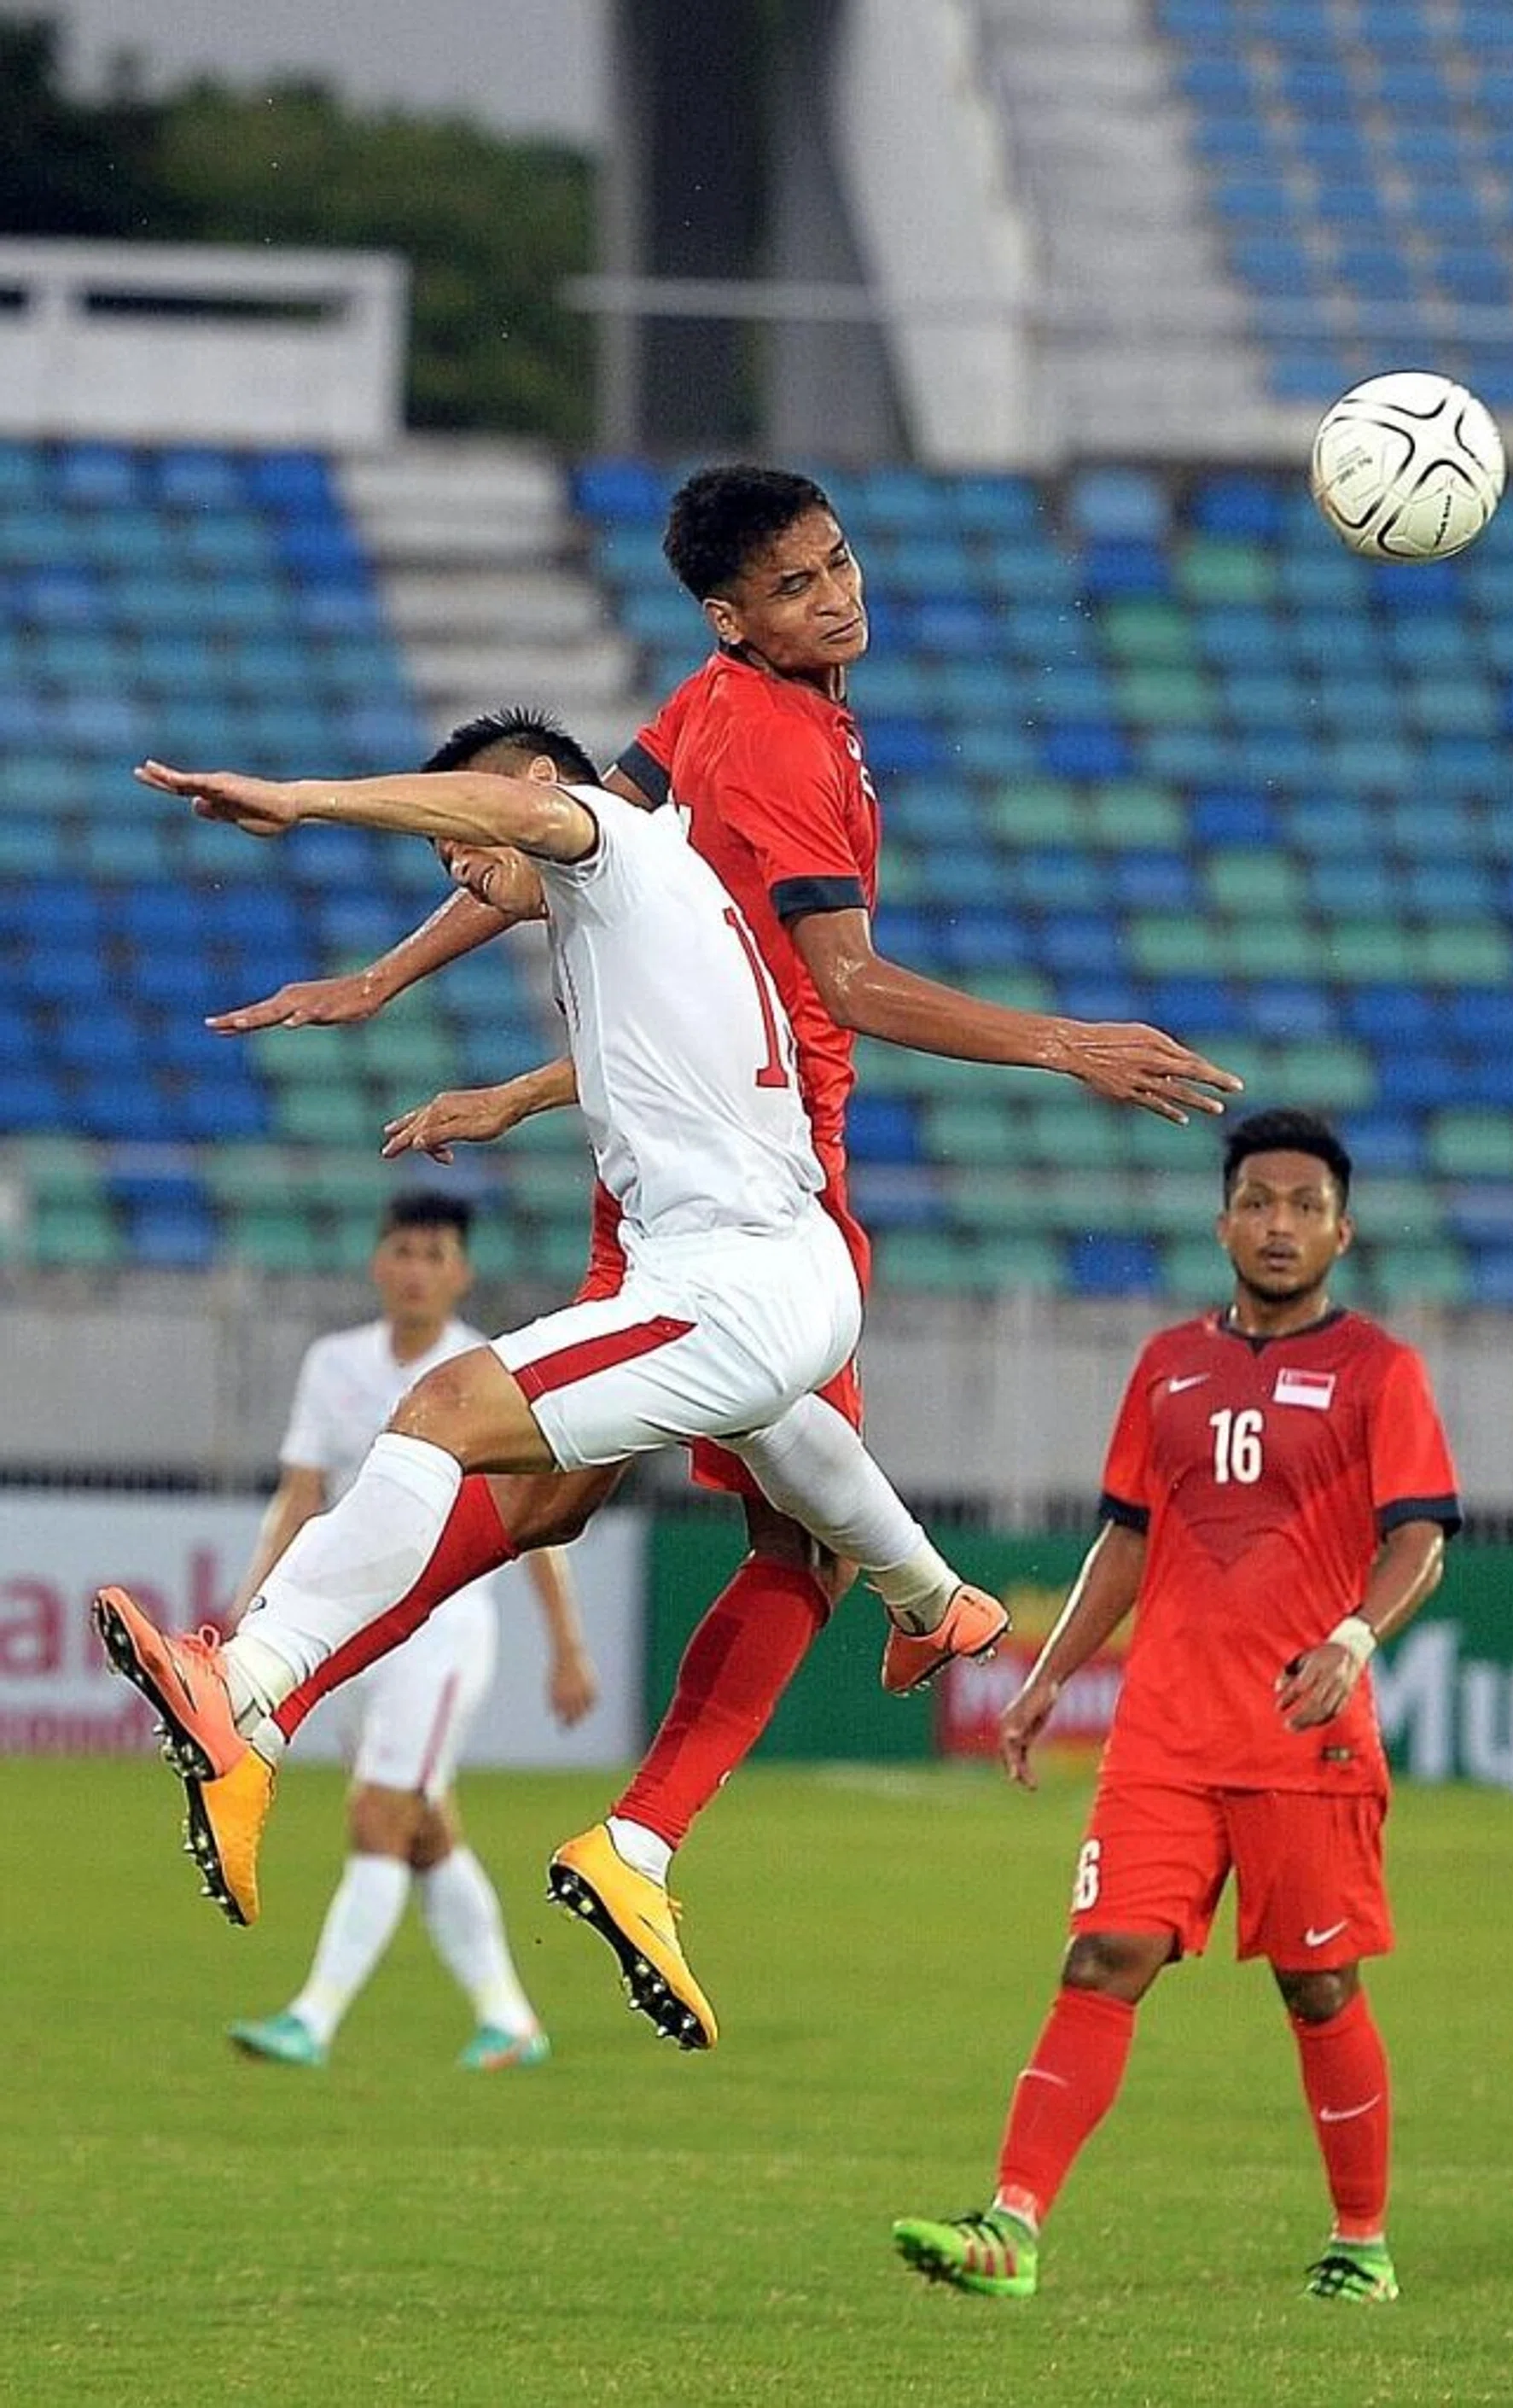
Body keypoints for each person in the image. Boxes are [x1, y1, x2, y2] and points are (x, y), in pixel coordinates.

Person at [203, 467, 1239, 2041]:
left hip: (689, 1142)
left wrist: (406, 995)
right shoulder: (773, 743)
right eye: (799, 584)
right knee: (761, 1532)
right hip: (759, 1181)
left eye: (840, 562)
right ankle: (586, 1805)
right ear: (729, 616)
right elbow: (842, 978)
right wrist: (1066, 1043)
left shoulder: (711, 709)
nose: (840, 595)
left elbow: (577, 844)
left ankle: (891, 1624)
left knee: (564, 1498)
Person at [95, 719, 1009, 2053]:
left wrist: (300, 797)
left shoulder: (614, 837)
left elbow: (534, 820)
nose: (464, 870)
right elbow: (646, 1036)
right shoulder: (636, 909)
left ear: (536, 791)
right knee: (754, 1456)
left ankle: (251, 1683)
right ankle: (931, 1603)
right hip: (761, 1267)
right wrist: (500, 1081)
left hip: (734, 1276)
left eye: (466, 838)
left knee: (444, 1414)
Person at [893, 1110, 1461, 2306]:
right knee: (1105, 1956)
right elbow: (1127, 1537)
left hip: (1304, 1738)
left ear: (1343, 1233)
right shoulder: (1166, 1365)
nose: (1279, 1224)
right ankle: (1012, 2223)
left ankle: (1361, 2237)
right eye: (1258, 1202)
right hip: (1164, 1734)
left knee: (1319, 1983)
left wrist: (1353, 1638)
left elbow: (1421, 1540)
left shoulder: (1381, 1371)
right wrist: (1049, 1674)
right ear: (1222, 1223)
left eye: (1305, 1206)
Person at [225, 1189, 596, 2073]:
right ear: (377, 1261)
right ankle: (509, 2019)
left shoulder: (488, 1372)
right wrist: (256, 1608)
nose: (417, 1270)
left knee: (379, 1812)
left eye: (435, 1255)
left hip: (440, 1630)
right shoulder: (333, 1362)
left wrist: (567, 1646)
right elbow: (301, 1496)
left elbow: (532, 1519)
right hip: (350, 1633)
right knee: (423, 1827)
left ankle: (313, 2019)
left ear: (462, 1273)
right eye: (404, 1251)